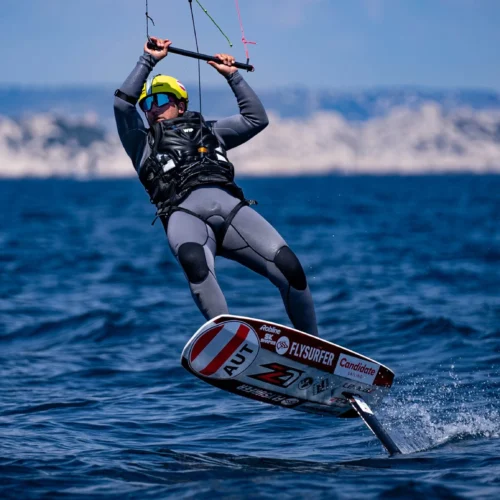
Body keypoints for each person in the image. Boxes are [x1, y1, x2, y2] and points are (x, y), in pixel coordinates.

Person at [113, 36, 318, 336]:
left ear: (181, 104)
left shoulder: (212, 130)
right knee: (195, 263)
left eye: (160, 100)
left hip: (232, 211)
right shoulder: (140, 142)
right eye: (147, 105)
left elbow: (256, 119)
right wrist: (148, 61)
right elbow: (121, 104)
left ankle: (314, 349)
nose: (152, 110)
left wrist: (233, 76)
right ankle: (229, 343)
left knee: (290, 268)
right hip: (185, 218)